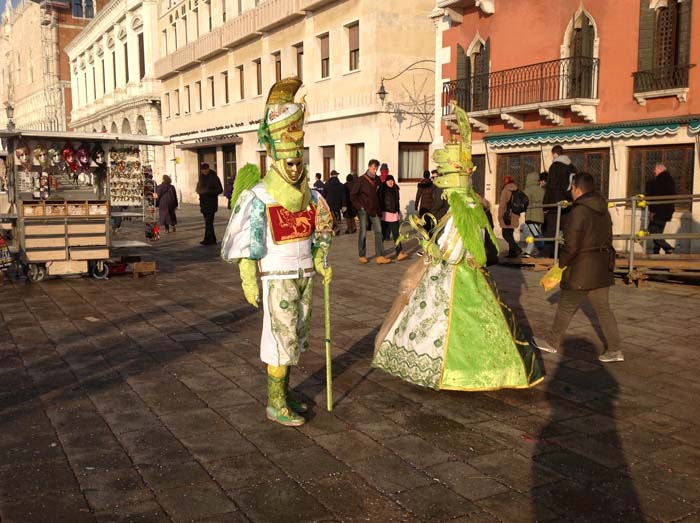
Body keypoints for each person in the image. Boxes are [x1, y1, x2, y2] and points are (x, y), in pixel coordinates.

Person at [373, 104, 544, 391]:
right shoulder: (473, 205)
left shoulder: (459, 209)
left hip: (451, 277)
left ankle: (452, 372)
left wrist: (430, 250)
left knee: (443, 324)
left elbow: (452, 249)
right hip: (474, 275)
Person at [221, 78, 334, 427]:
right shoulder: (258, 196)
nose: (295, 166)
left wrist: (320, 260)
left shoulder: (312, 196)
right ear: (274, 156)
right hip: (278, 277)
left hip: (304, 276)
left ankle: (285, 394)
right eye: (288, 160)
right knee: (279, 338)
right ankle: (274, 402)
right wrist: (248, 279)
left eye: (298, 159)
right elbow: (247, 243)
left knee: (297, 337)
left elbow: (320, 232)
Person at [532, 172, 623, 363]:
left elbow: (571, 246)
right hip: (601, 267)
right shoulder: (603, 210)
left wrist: (561, 266)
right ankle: (615, 349)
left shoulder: (578, 211)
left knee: (566, 306)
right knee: (604, 309)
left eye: (572, 188)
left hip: (581, 268)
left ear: (578, 188)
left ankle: (551, 342)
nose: (571, 192)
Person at [350, 159, 391, 264]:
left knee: (379, 231)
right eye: (374, 168)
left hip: (375, 209)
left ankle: (380, 256)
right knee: (363, 232)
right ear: (369, 167)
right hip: (363, 210)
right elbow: (353, 195)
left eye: (376, 168)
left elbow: (380, 195)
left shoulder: (377, 180)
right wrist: (360, 207)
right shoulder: (360, 180)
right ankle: (362, 255)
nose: (375, 170)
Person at [542, 145, 576, 257]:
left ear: (554, 154)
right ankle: (566, 253)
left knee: (551, 230)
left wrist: (545, 205)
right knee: (566, 231)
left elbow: (550, 186)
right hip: (569, 204)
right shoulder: (572, 167)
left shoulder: (555, 167)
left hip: (555, 204)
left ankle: (547, 254)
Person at [645, 163, 676, 254]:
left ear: (660, 169)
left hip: (658, 211)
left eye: (655, 169)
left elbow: (655, 195)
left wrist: (653, 211)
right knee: (658, 232)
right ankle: (656, 252)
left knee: (652, 230)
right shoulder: (670, 180)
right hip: (667, 211)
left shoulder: (658, 181)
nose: (654, 171)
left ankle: (668, 248)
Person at [379, 174, 407, 261]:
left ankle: (399, 253)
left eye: (392, 180)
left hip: (394, 215)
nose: (390, 182)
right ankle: (380, 254)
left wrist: (398, 212)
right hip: (385, 215)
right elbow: (379, 201)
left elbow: (397, 202)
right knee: (382, 235)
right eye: (389, 181)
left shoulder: (395, 189)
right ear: (386, 181)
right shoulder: (382, 189)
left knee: (396, 235)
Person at [196, 163, 223, 245]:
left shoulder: (214, 177)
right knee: (208, 223)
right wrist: (199, 191)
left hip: (211, 203)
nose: (204, 171)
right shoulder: (201, 178)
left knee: (209, 222)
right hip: (204, 203)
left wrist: (208, 192)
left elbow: (220, 190)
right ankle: (211, 239)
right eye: (203, 170)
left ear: (208, 169)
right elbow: (198, 188)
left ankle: (208, 239)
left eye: (206, 169)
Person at [521, 171, 545, 257]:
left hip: (531, 214)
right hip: (540, 214)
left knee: (535, 234)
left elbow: (524, 202)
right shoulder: (542, 190)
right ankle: (528, 251)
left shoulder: (528, 190)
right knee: (532, 233)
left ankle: (543, 249)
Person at [498, 175, 522, 258]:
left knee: (505, 234)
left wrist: (500, 216)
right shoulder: (517, 190)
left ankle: (517, 249)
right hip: (515, 215)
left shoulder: (505, 191)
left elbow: (502, 205)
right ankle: (512, 253)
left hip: (507, 215)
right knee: (510, 234)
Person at [324, 170, 346, 234]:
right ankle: (336, 227)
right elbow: (343, 195)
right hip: (338, 203)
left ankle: (335, 228)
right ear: (337, 175)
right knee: (336, 216)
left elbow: (323, 194)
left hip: (329, 203)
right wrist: (344, 204)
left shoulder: (327, 184)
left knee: (331, 217)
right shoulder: (340, 185)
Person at [379, 163, 391, 240]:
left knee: (382, 220)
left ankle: (383, 234)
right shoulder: (390, 178)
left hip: (381, 202)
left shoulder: (378, 178)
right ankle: (387, 235)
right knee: (389, 220)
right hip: (389, 202)